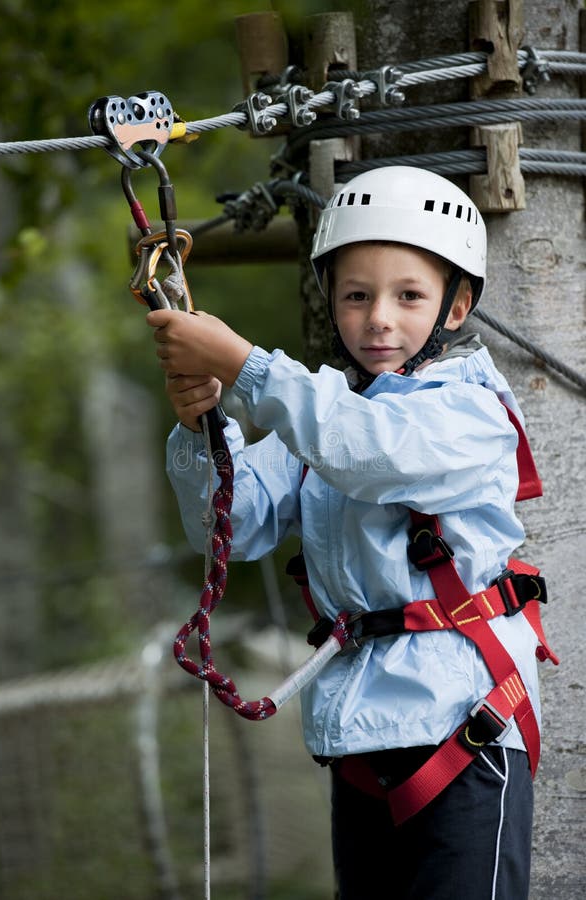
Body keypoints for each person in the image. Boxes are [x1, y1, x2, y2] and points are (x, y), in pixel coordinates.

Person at [146, 167, 555, 899]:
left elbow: (372, 451)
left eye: (409, 297)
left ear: (456, 307)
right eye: (357, 295)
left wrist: (244, 365)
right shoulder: (326, 415)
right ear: (331, 301)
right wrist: (204, 429)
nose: (379, 320)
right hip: (361, 740)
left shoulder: (468, 415)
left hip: (465, 731)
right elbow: (232, 526)